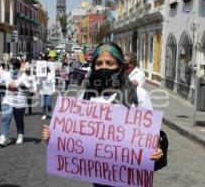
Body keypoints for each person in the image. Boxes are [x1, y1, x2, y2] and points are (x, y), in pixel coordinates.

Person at [42, 43, 166, 187]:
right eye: (99, 63)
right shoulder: (85, 97)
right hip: (101, 178)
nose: (104, 67)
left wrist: (155, 149)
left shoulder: (138, 95)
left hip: (131, 178)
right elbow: (74, 139)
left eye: (109, 63)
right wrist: (53, 137)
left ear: (120, 66)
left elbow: (151, 137)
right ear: (93, 66)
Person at [0, 58, 30, 147]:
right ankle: (3, 137)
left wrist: (22, 86)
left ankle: (20, 135)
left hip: (20, 101)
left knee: (19, 120)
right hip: (8, 100)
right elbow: (0, 85)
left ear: (18, 68)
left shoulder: (23, 76)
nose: (12, 70)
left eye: (14, 68)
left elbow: (29, 90)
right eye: (11, 67)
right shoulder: (6, 75)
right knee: (5, 118)